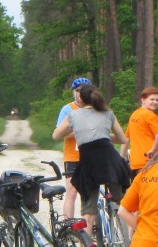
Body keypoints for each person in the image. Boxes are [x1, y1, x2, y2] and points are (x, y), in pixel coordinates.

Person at [53, 84, 130, 236]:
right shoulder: (108, 113)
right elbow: (122, 139)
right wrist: (103, 135)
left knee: (88, 212)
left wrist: (77, 130)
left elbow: (56, 135)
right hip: (110, 160)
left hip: (89, 163)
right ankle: (131, 238)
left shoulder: (73, 115)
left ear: (80, 99)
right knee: (123, 202)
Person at [55, 77, 90, 219]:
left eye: (83, 90)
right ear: (74, 92)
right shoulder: (68, 109)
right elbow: (60, 132)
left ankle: (90, 226)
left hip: (91, 156)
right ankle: (68, 224)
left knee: (89, 193)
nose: (80, 93)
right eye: (77, 90)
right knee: (71, 192)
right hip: (73, 156)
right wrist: (79, 131)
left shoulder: (94, 107)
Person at [122, 87, 158, 176]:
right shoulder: (150, 115)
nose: (155, 102)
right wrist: (154, 150)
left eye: (157, 100)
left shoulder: (134, 114)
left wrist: (121, 158)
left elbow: (126, 139)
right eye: (152, 99)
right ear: (143, 100)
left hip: (135, 163)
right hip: (150, 161)